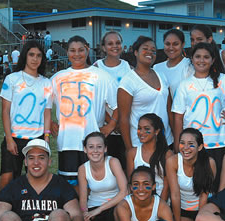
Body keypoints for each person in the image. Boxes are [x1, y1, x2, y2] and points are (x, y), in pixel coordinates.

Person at [172, 42, 225, 192]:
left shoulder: (223, 80)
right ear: (191, 59)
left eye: (206, 57)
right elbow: (178, 118)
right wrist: (177, 144)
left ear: (213, 60)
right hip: (193, 145)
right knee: (197, 187)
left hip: (218, 143)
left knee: (218, 186)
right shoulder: (185, 85)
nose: (202, 60)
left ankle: (217, 214)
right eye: (198, 57)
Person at [50, 35, 118, 191]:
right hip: (68, 142)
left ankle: (91, 214)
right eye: (72, 50)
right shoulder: (57, 78)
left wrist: (111, 126)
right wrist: (50, 124)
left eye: (81, 50)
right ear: (67, 52)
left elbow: (117, 105)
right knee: (70, 187)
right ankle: (75, 215)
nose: (77, 54)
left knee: (93, 185)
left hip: (93, 141)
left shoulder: (102, 76)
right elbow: (43, 104)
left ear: (87, 49)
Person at [0, 40, 53, 208]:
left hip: (36, 138)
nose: (35, 59)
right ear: (25, 55)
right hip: (15, 137)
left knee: (34, 181)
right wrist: (9, 139)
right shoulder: (12, 79)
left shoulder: (46, 83)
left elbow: (47, 112)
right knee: (7, 179)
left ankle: (25, 216)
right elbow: (5, 111)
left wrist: (46, 138)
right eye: (31, 54)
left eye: (39, 55)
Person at [118, 36, 174, 155]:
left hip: (165, 141)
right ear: (136, 52)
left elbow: (169, 110)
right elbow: (123, 118)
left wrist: (176, 138)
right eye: (145, 49)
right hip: (140, 144)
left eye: (153, 50)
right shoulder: (128, 81)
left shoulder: (162, 76)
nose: (150, 52)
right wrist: (129, 149)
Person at [166, 128, 215, 221]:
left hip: (202, 208)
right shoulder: (172, 161)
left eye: (191, 144)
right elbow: (175, 195)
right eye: (182, 143)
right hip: (182, 209)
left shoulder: (209, 163)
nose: (185, 148)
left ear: (200, 147)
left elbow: (203, 197)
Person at [78, 132, 128, 221]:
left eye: (99, 147)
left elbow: (124, 191)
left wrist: (99, 209)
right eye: (91, 147)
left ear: (105, 149)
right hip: (94, 207)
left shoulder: (113, 162)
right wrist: (86, 219)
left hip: (115, 204)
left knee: (121, 212)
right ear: (85, 149)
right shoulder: (82, 169)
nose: (95, 150)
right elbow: (83, 199)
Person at [94, 31, 132, 169]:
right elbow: (96, 100)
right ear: (103, 47)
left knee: (125, 165)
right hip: (106, 126)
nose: (115, 46)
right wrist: (112, 123)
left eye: (118, 43)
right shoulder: (96, 67)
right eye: (110, 43)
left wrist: (121, 122)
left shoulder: (127, 67)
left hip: (125, 125)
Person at [126, 113, 173, 200]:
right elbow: (131, 184)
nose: (141, 132)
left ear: (156, 131)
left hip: (161, 201)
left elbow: (167, 187)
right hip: (138, 201)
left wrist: (158, 208)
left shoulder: (167, 154)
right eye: (139, 128)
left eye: (146, 129)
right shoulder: (132, 153)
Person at [153, 29, 194, 98]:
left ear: (183, 44)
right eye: (167, 44)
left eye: (175, 44)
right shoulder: (157, 68)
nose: (171, 48)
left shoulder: (189, 66)